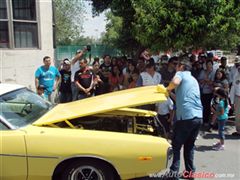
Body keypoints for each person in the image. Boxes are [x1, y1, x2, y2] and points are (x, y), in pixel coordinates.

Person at [166, 56, 202, 180]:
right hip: (197, 116)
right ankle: (190, 173)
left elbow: (174, 82)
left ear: (181, 66)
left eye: (177, 65)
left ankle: (173, 174)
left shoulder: (180, 74)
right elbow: (180, 99)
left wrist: (167, 88)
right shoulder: (193, 79)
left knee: (176, 145)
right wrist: (169, 93)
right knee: (189, 146)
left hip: (186, 117)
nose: (175, 67)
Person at [230, 57, 240, 136]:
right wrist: (232, 102)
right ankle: (239, 131)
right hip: (238, 97)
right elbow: (233, 89)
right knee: (237, 115)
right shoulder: (236, 76)